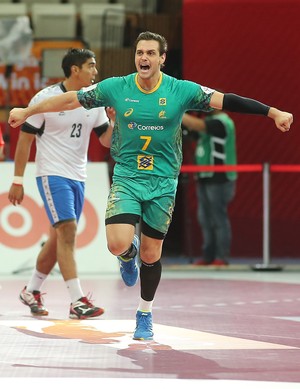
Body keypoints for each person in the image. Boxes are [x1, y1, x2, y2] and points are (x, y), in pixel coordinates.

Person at [8, 31, 293, 340]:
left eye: (150, 53)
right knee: (117, 243)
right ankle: (125, 256)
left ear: (162, 59)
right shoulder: (117, 87)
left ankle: (144, 313)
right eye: (139, 52)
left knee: (151, 252)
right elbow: (70, 98)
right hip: (128, 176)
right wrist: (28, 111)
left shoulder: (180, 90)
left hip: (163, 180)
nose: (143, 57)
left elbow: (227, 100)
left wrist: (272, 112)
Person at [8, 48, 114, 319]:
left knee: (58, 239)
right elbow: (25, 140)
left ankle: (30, 290)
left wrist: (115, 120)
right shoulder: (46, 99)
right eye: (91, 66)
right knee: (67, 231)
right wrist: (17, 180)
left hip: (79, 175)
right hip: (52, 173)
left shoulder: (95, 101)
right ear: (74, 70)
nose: (95, 72)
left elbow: (105, 140)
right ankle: (77, 300)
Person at [182, 110, 237, 266]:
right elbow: (194, 133)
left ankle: (221, 257)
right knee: (205, 218)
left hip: (219, 177)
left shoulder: (221, 122)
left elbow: (197, 124)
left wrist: (178, 112)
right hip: (205, 176)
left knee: (218, 217)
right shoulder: (210, 121)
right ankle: (208, 256)